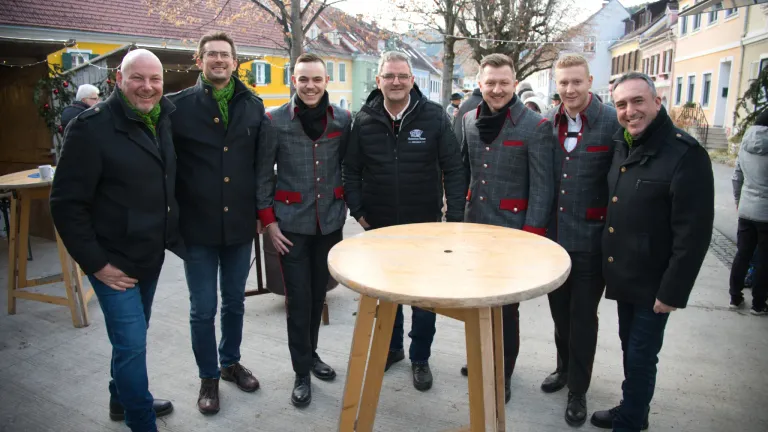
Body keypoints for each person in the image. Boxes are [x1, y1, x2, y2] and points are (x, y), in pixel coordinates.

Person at [50, 49, 181, 432]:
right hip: (112, 263)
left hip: (148, 256)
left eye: (154, 79)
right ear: (118, 79)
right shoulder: (91, 128)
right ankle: (141, 421)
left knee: (131, 340)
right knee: (131, 346)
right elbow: (65, 204)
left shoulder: (161, 120)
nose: (147, 86)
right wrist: (97, 265)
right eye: (138, 78)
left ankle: (120, 400)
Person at [591, 72, 714, 431]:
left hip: (654, 283)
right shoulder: (623, 143)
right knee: (631, 348)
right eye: (622, 104)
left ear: (657, 102)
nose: (630, 111)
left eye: (638, 101)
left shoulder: (684, 154)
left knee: (642, 355)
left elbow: (693, 234)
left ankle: (629, 421)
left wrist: (672, 292)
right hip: (625, 274)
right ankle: (634, 409)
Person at [343, 50, 466, 392]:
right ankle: (392, 348)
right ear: (379, 80)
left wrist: (454, 218)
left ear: (412, 80)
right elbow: (351, 169)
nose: (395, 81)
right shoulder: (364, 120)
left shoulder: (433, 117)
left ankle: (420, 357)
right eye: (389, 76)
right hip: (379, 227)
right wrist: (358, 209)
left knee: (424, 299)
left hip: (424, 227)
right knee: (386, 295)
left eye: (402, 76)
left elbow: (453, 169)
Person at [168, 31, 265, 415]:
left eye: (226, 55)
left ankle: (230, 363)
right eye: (212, 55)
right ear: (199, 60)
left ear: (235, 61)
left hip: (240, 226)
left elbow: (260, 168)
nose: (219, 60)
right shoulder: (176, 107)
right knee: (203, 307)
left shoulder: (253, 106)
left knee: (235, 303)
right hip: (198, 228)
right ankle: (208, 376)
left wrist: (262, 214)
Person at [256, 53, 351, 407]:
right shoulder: (274, 120)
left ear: (326, 81)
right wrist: (269, 222)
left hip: (329, 223)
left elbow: (347, 167)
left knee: (317, 295)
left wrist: (346, 208)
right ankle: (300, 372)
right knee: (298, 301)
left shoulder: (342, 119)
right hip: (290, 227)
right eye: (303, 79)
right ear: (292, 81)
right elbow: (263, 174)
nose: (310, 86)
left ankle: (311, 356)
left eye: (316, 79)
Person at [460, 53, 556, 403]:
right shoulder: (469, 120)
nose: (497, 89)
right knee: (476, 301)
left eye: (503, 83)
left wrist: (533, 237)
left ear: (514, 84)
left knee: (506, 309)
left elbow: (543, 186)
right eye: (490, 83)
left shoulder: (535, 125)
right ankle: (481, 358)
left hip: (514, 233)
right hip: (476, 226)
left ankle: (503, 373)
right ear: (480, 85)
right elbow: (466, 171)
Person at [541, 54, 620, 426]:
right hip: (555, 244)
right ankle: (563, 369)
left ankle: (578, 390)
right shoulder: (548, 122)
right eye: (563, 83)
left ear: (590, 81)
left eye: (576, 82)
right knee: (559, 314)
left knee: (582, 318)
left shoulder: (611, 123)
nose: (569, 89)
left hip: (591, 241)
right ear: (556, 85)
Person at [728, 109, 768, 315]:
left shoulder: (746, 142)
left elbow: (737, 176)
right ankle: (759, 304)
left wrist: (738, 201)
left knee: (742, 254)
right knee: (764, 259)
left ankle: (735, 297)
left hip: (746, 209)